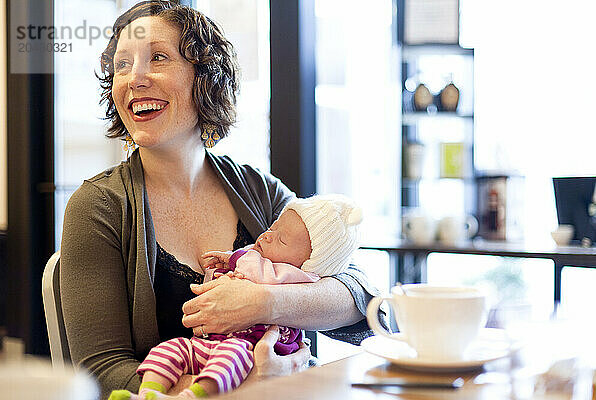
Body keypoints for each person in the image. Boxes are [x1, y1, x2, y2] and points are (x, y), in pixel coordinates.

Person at [59, 1, 386, 399]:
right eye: (122, 64)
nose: (134, 78)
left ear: (205, 78)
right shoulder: (98, 208)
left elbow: (360, 300)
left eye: (157, 57)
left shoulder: (258, 192)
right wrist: (243, 386)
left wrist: (262, 302)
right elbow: (101, 371)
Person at [109, 195, 362, 399]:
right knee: (171, 349)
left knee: (231, 354)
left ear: (309, 264)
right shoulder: (106, 203)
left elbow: (360, 291)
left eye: (281, 239)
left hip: (244, 349)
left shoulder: (293, 274)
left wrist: (262, 302)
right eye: (272, 228)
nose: (265, 236)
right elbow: (101, 366)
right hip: (208, 346)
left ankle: (194, 394)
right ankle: (149, 393)